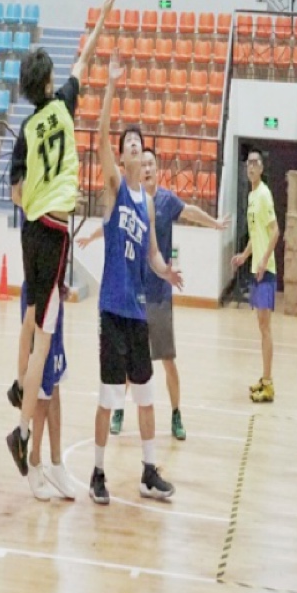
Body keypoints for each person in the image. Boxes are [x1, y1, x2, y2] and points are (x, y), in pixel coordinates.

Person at [5, 0, 117, 479]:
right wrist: (101, 19)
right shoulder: (65, 105)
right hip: (53, 230)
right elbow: (84, 58)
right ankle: (21, 431)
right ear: (50, 83)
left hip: (31, 228)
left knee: (32, 314)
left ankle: (18, 385)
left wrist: (34, 196)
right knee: (46, 337)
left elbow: (16, 194)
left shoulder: (27, 130)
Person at [88, 64, 181, 503]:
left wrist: (166, 271)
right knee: (109, 398)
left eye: (138, 144)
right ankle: (97, 472)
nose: (133, 147)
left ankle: (147, 472)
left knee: (145, 396)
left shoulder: (147, 205)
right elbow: (101, 133)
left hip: (138, 312)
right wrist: (110, 85)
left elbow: (153, 254)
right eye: (128, 144)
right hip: (111, 308)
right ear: (122, 158)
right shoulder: (115, 189)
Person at [109, 148, 226, 442]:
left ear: (157, 169)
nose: (147, 169)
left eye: (151, 164)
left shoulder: (166, 200)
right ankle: (118, 411)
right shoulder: (131, 202)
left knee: (167, 360)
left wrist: (214, 223)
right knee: (129, 361)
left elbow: (191, 211)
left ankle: (176, 414)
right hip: (134, 297)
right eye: (143, 164)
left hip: (159, 296)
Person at [13, 273, 78, 501]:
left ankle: (56, 464)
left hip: (53, 296)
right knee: (42, 389)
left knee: (55, 383)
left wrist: (59, 282)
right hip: (39, 298)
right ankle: (35, 461)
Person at [231, 148, 279, 403]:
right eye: (248, 163)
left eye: (255, 163)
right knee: (262, 327)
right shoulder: (251, 196)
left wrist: (262, 260)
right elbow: (256, 234)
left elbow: (275, 232)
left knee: (265, 327)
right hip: (257, 268)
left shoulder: (264, 195)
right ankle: (265, 377)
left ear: (261, 168)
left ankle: (268, 384)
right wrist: (244, 255)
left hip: (265, 270)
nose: (250, 167)